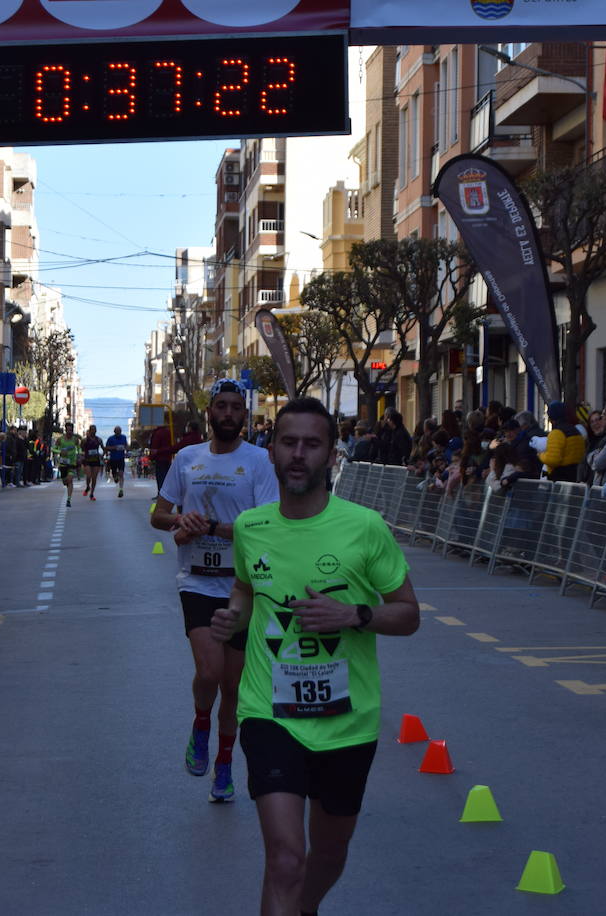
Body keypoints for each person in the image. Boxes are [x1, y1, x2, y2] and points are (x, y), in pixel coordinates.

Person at [210, 396, 420, 916]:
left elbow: (409, 614)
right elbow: (244, 587)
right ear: (271, 451)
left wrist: (354, 616)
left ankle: (304, 908)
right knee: (285, 858)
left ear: (331, 455)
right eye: (288, 442)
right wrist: (233, 614)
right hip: (269, 713)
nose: (299, 454)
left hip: (348, 721)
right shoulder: (250, 527)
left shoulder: (365, 527)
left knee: (330, 852)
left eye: (312, 444)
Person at [151, 379, 279, 803]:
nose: (227, 414)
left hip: (243, 585)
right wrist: (180, 523)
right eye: (220, 406)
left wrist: (209, 527)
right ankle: (200, 724)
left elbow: (265, 528)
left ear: (245, 415)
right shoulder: (187, 458)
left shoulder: (260, 461)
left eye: (235, 408)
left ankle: (224, 766)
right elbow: (159, 514)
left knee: (234, 687)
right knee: (209, 672)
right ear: (209, 412)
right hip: (198, 583)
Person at [52, 422, 82, 507]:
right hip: (63, 463)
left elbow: (79, 449)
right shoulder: (60, 439)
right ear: (65, 430)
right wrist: (60, 451)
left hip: (72, 463)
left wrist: (79, 456)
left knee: (70, 480)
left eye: (71, 430)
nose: (69, 432)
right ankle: (65, 482)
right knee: (65, 481)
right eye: (68, 430)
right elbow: (53, 449)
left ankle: (69, 499)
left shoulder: (75, 439)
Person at [150, 422, 177, 492]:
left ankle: (161, 493)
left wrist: (152, 457)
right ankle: (166, 493)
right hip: (168, 458)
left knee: (160, 477)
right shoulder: (169, 432)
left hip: (160, 458)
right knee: (166, 477)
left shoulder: (157, 433)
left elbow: (154, 447)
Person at [81, 424, 104, 501]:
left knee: (94, 478)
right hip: (87, 460)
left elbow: (103, 448)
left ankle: (92, 494)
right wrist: (82, 456)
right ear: (89, 430)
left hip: (96, 460)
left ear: (96, 431)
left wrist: (102, 455)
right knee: (88, 476)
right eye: (92, 430)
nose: (93, 431)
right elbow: (82, 449)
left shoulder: (99, 440)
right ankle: (88, 486)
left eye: (94, 430)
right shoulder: (84, 440)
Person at [105, 425, 129, 497]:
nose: (118, 432)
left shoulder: (124, 437)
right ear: (114, 431)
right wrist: (114, 448)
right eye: (117, 431)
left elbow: (126, 446)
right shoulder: (110, 438)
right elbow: (106, 447)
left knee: (121, 474)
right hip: (113, 459)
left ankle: (121, 489)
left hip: (121, 458)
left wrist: (126, 449)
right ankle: (115, 477)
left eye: (119, 431)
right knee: (114, 475)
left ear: (121, 431)